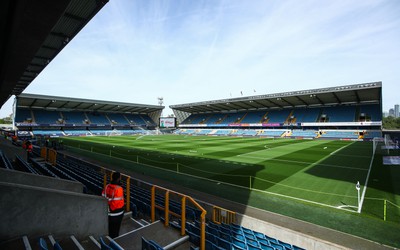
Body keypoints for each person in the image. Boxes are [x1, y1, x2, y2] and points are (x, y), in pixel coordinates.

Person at [102, 172, 125, 238]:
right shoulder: (119, 189)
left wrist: (107, 209)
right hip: (116, 214)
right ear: (118, 178)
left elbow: (102, 197)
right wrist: (110, 209)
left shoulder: (106, 186)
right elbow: (115, 203)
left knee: (110, 229)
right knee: (115, 232)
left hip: (108, 212)